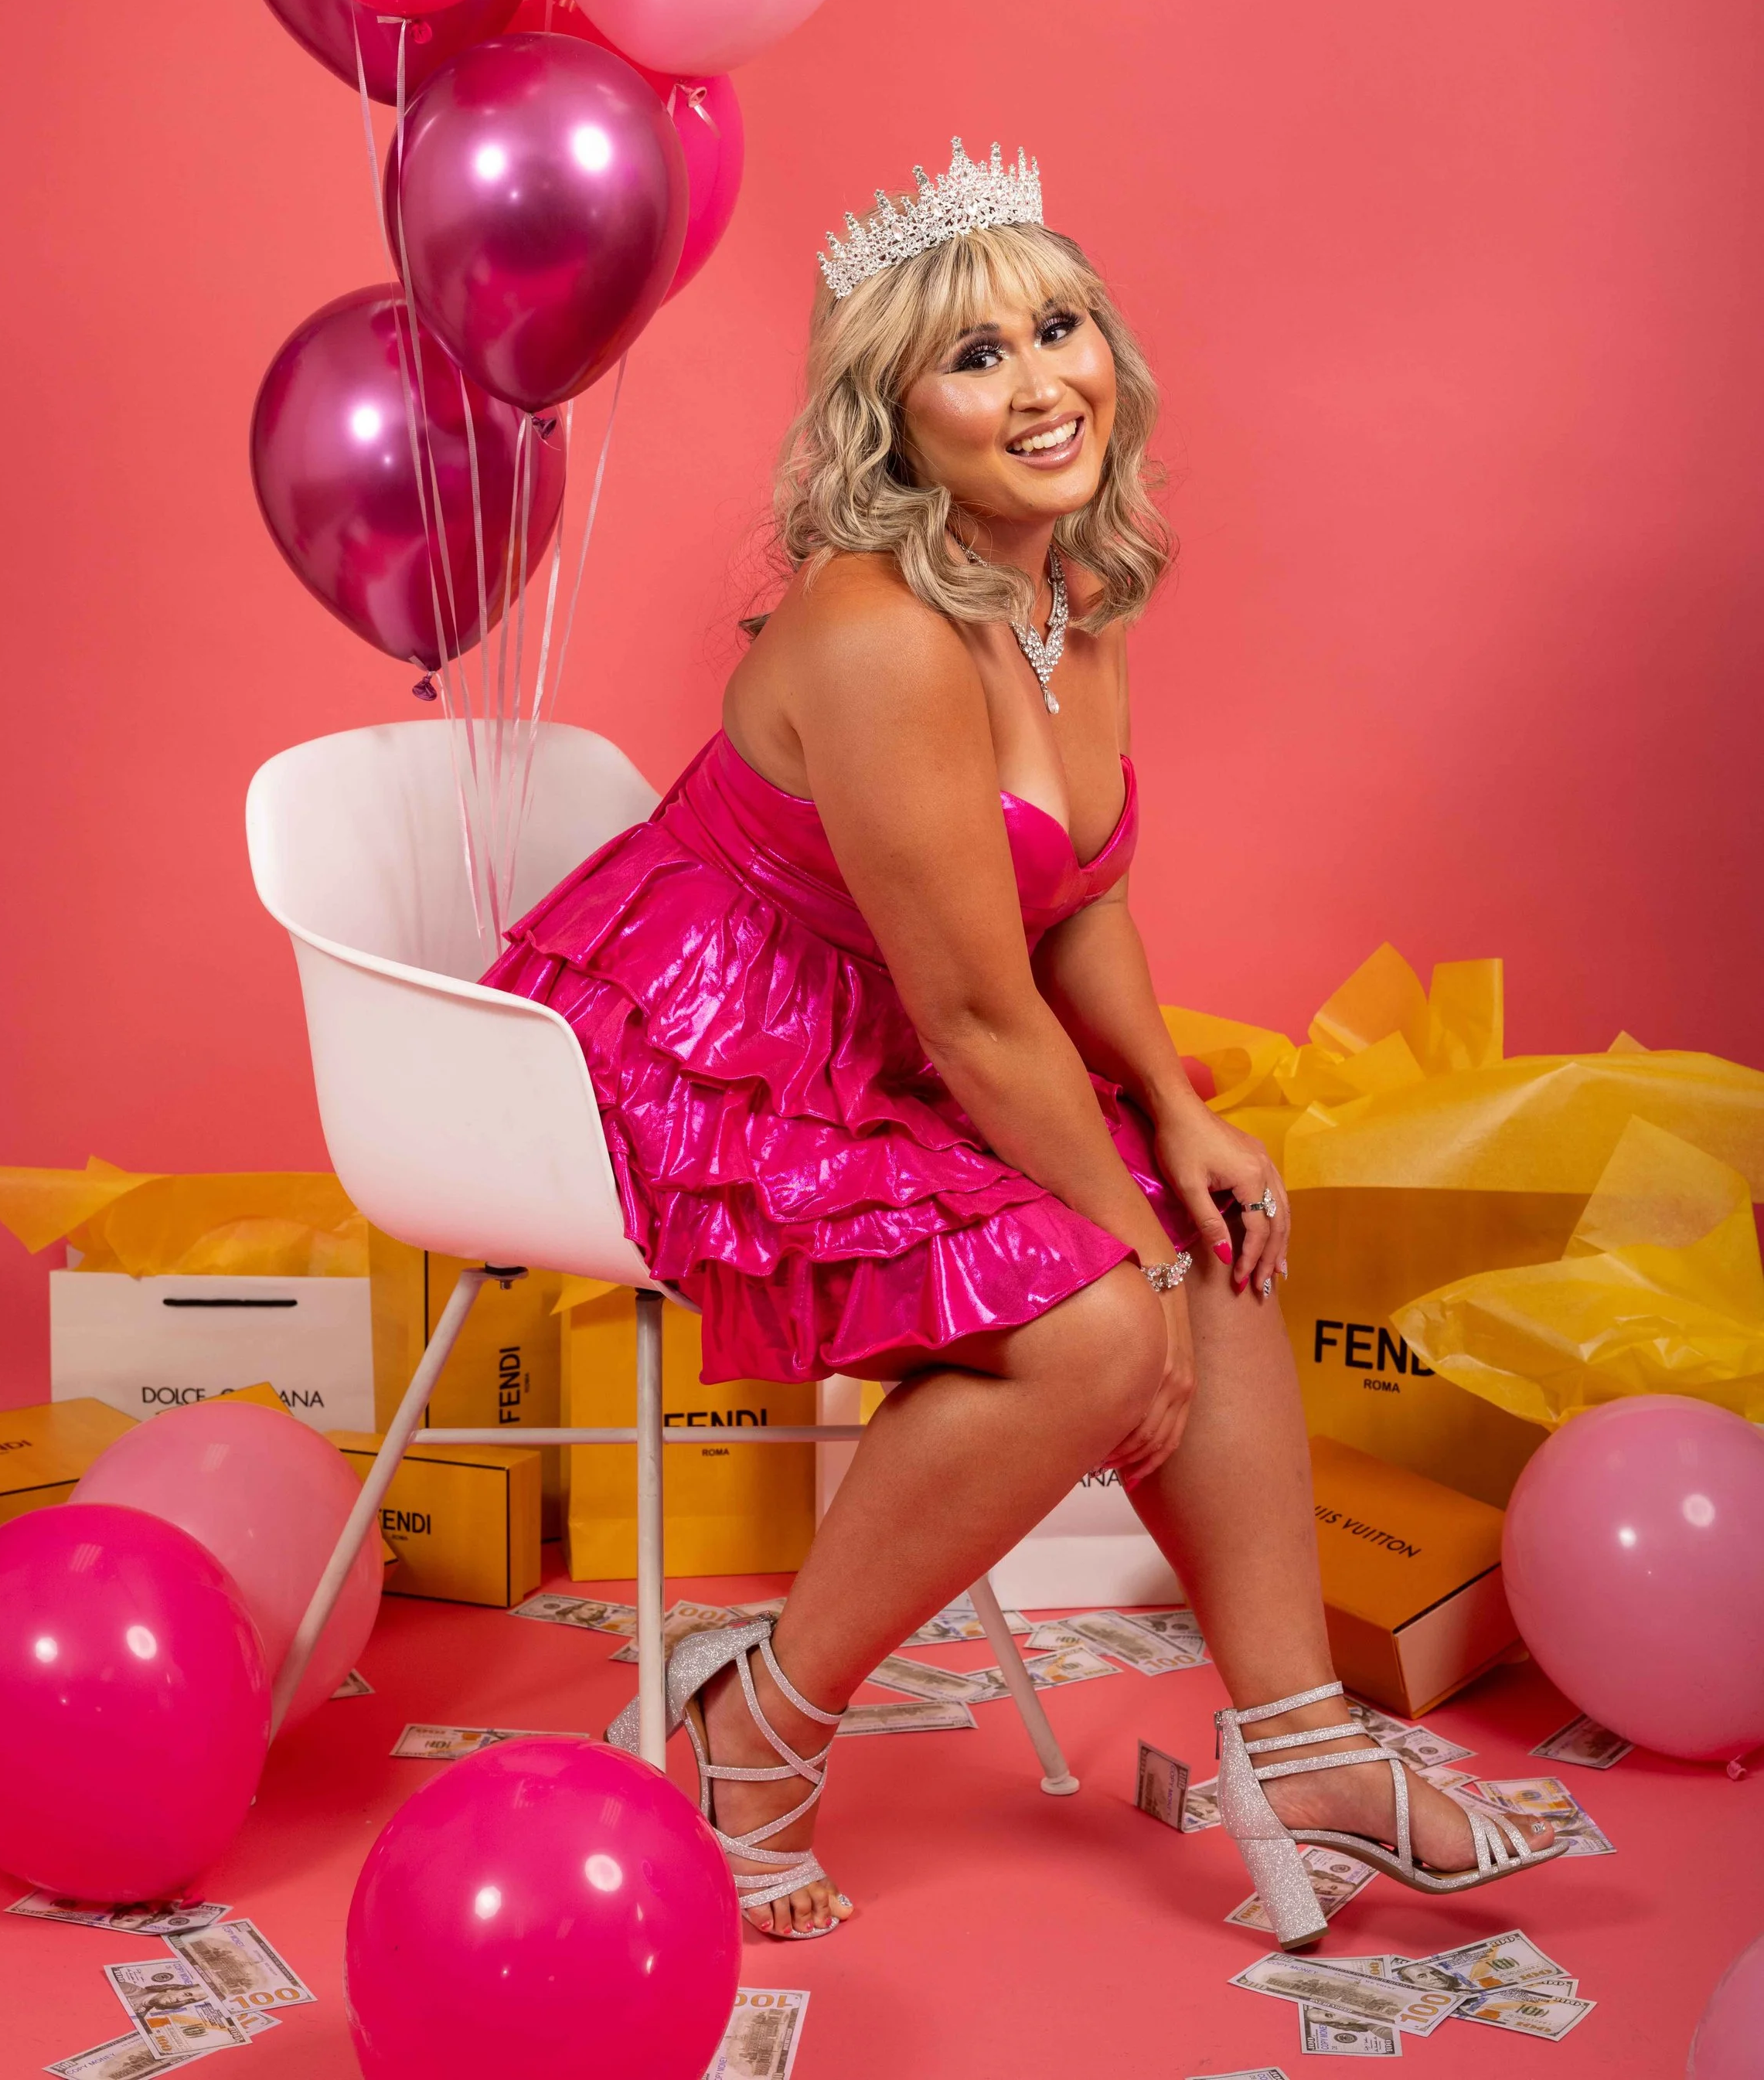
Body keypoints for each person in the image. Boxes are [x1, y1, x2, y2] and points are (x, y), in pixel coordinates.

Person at [483, 141, 1561, 1946]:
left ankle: (1293, 1742)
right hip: (708, 1048)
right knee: (1100, 1323)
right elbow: (981, 1019)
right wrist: (1120, 1255)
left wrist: (1168, 1111)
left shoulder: (1072, 587)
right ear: (892, 418)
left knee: (1214, 1242)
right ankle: (753, 1722)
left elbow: (1075, 903)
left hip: (904, 1026)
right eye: (971, 358)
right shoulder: (880, 628)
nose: (1038, 381)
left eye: (1054, 327)